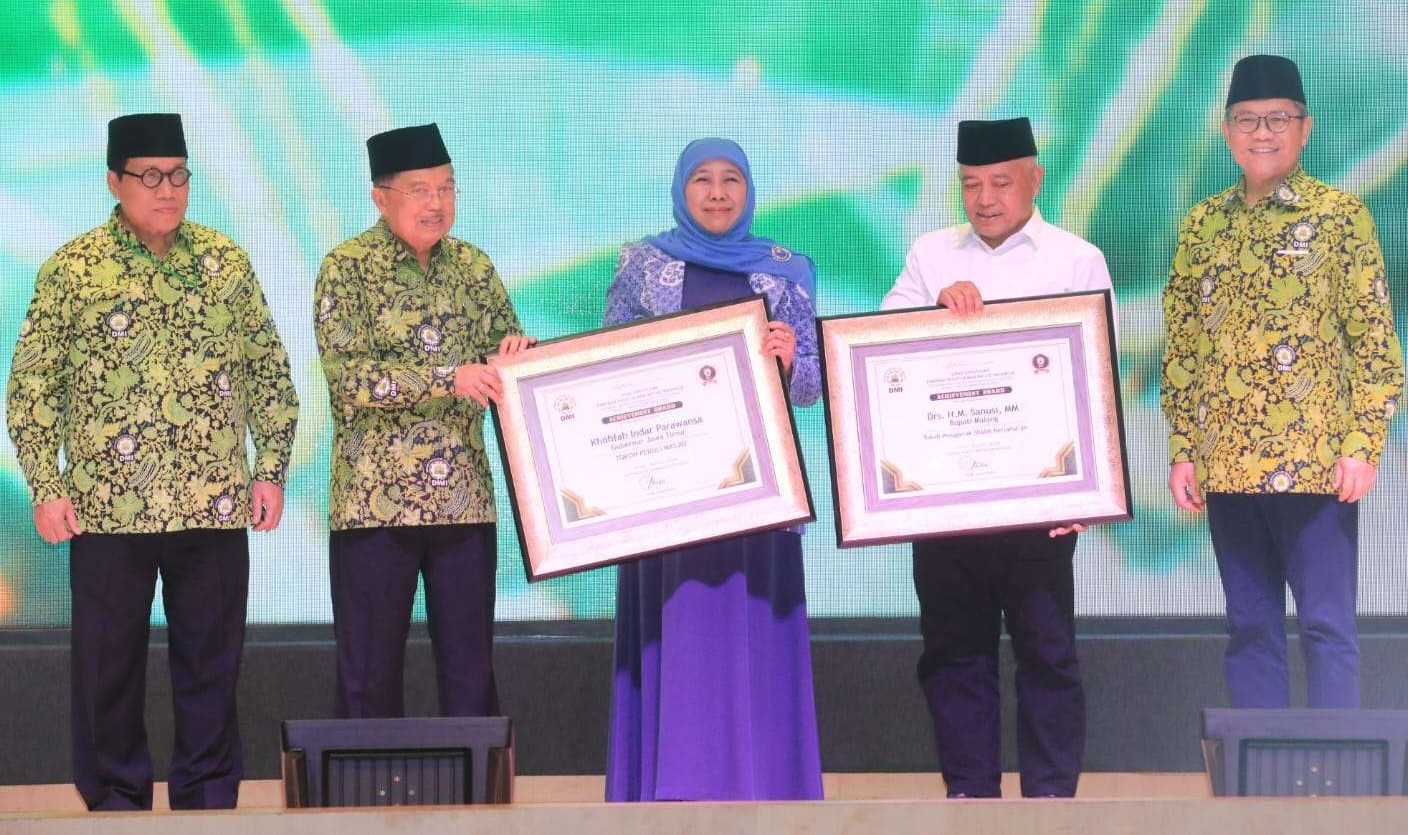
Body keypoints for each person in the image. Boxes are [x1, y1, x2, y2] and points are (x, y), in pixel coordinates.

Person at [6, 113, 299, 810]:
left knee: (212, 667)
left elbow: (270, 373)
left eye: (179, 175)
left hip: (214, 503)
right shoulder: (73, 269)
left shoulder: (225, 262)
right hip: (108, 510)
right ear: (115, 181)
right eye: (150, 176)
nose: (167, 190)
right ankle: (114, 799)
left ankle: (205, 798)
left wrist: (271, 467)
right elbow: (31, 388)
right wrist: (46, 486)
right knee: (108, 670)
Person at [1161, 55, 1402, 709]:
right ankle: (1257, 791)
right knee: (1251, 630)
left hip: (1316, 465)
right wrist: (1184, 446)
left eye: (1277, 119)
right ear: (1226, 131)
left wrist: (1364, 442)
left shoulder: (1339, 217)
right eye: (1247, 119)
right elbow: (1182, 347)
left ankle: (1336, 794)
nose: (1261, 132)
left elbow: (1377, 345)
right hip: (1227, 467)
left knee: (1326, 627)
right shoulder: (1201, 224)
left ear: (1305, 129)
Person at [882, 117, 1112, 798]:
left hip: (1040, 502)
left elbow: (1097, 379)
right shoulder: (930, 255)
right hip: (947, 503)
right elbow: (880, 357)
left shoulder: (1076, 258)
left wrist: (1088, 493)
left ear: (1034, 180)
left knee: (1048, 652)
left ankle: (1050, 798)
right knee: (955, 655)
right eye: (971, 184)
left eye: (1000, 182)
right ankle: (970, 793)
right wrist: (934, 307)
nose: (984, 198)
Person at [603, 138, 823, 802]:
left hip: (759, 496)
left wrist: (790, 359)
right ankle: (670, 793)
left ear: (750, 191)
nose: (718, 192)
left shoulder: (785, 272)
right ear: (681, 188)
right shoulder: (643, 265)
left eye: (732, 180)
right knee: (681, 639)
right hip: (667, 499)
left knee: (751, 640)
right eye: (702, 179)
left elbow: (813, 386)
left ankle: (767, 793)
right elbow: (605, 368)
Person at [314, 123, 532, 720]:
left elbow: (502, 356)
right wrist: (448, 377)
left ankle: (477, 811)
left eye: (446, 188)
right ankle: (364, 811)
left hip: (464, 503)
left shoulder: (474, 268)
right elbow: (350, 381)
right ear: (380, 198)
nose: (436, 203)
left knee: (470, 674)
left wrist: (517, 355)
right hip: (374, 507)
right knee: (369, 675)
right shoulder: (346, 269)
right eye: (419, 190)